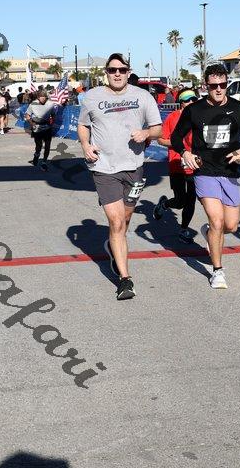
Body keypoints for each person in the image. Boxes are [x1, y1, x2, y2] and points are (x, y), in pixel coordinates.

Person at [77, 52, 162, 301]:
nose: (117, 74)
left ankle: (113, 248)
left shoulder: (142, 96)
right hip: (104, 167)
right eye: (112, 70)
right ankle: (125, 280)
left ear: (128, 72)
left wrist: (146, 134)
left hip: (134, 167)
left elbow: (157, 128)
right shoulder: (92, 96)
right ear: (106, 72)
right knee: (115, 222)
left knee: (124, 220)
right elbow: (83, 125)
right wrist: (85, 145)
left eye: (122, 70)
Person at [171, 64, 240, 289]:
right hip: (204, 172)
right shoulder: (194, 110)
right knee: (217, 220)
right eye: (213, 86)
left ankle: (209, 233)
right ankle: (217, 271)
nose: (218, 89)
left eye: (222, 85)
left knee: (231, 226)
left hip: (230, 173)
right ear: (205, 86)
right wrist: (185, 153)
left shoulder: (239, 109)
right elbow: (176, 137)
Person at [153, 89, 198, 243]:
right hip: (176, 164)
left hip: (194, 165)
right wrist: (177, 143)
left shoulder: (200, 116)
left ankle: (183, 229)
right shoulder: (172, 117)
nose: (191, 102)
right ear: (181, 102)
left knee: (191, 200)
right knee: (180, 202)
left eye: (194, 99)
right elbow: (160, 139)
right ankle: (165, 204)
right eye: (187, 100)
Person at [25, 89, 56, 170]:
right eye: (41, 97)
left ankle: (44, 162)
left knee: (47, 145)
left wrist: (52, 123)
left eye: (44, 97)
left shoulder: (50, 104)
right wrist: (31, 123)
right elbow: (27, 115)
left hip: (47, 127)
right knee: (39, 146)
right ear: (38, 97)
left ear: (46, 97)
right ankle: (36, 155)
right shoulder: (33, 104)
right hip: (37, 127)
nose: (42, 98)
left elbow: (53, 115)